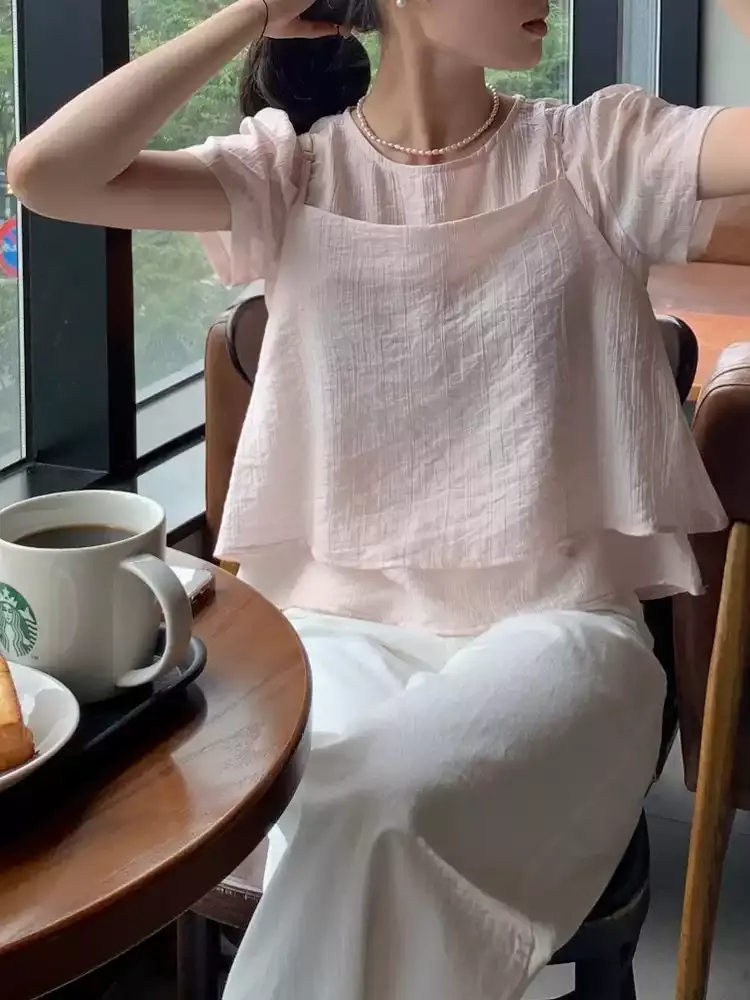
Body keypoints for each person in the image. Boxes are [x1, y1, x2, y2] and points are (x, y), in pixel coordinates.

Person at [9, 1, 750, 997]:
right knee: (347, 818)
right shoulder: (291, 177)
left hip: (563, 633)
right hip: (328, 640)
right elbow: (46, 173)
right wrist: (252, 15)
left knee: (367, 809)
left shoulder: (600, 153)